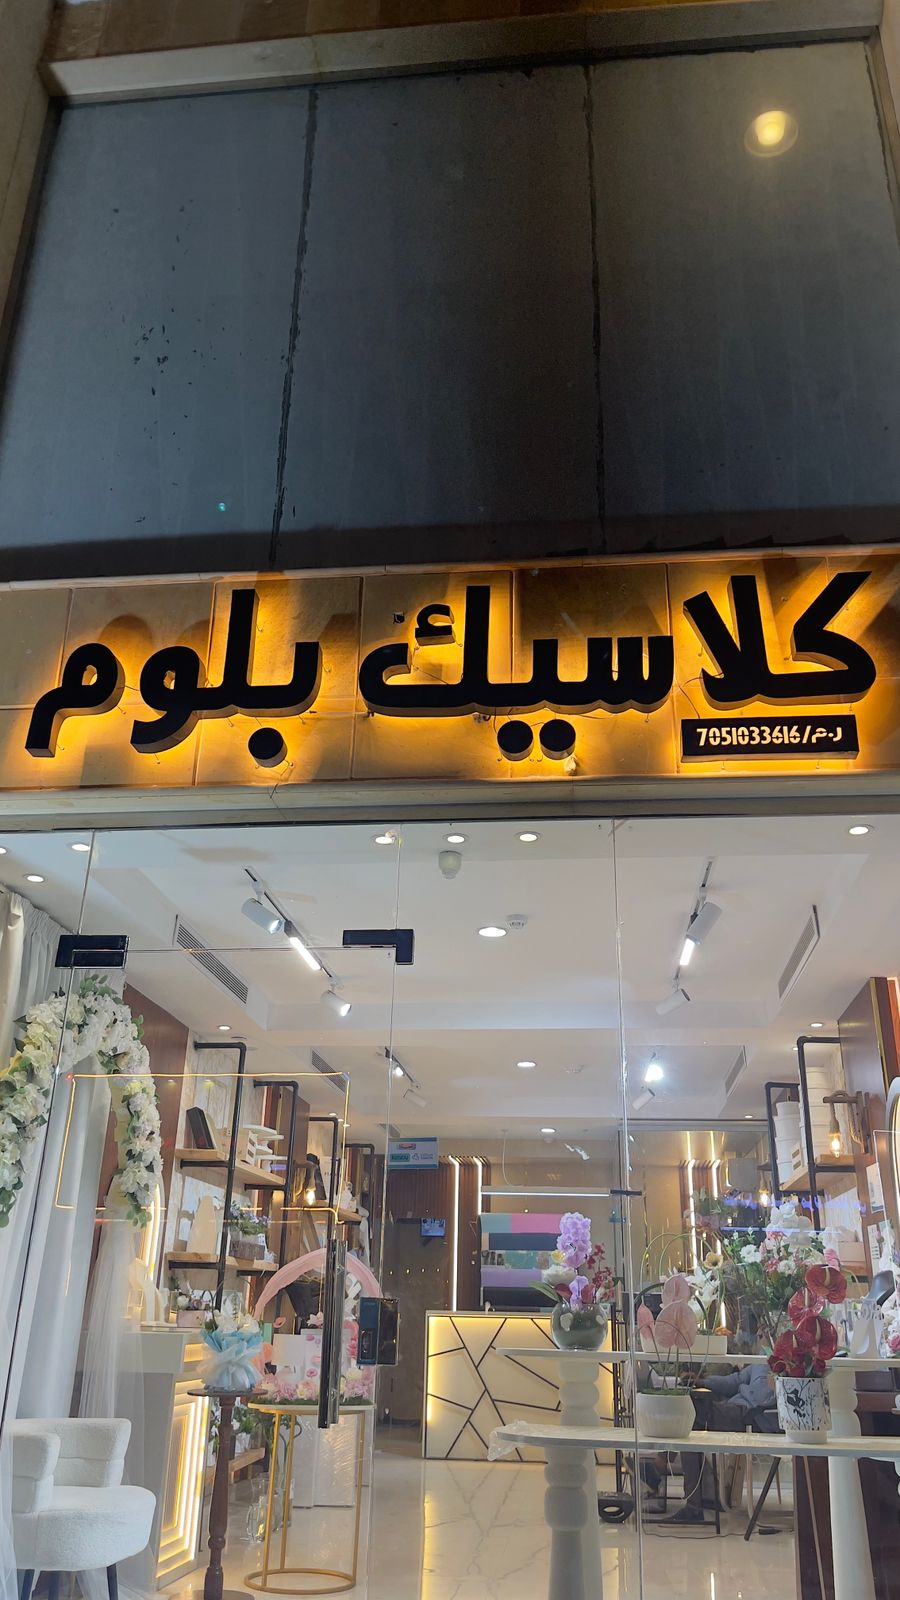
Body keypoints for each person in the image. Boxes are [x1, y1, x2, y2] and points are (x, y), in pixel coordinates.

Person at [663, 1365, 779, 1524]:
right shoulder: (760, 1366)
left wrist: (766, 1373)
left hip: (752, 1417)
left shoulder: (778, 1369)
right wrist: (702, 1381)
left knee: (690, 1412)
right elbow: (732, 1381)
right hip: (736, 1409)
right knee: (688, 1408)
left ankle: (664, 1466)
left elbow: (762, 1398)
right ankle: (702, 1497)